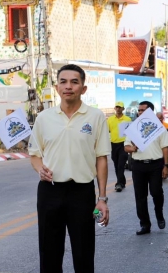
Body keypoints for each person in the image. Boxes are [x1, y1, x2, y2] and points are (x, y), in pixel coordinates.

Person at [29, 64, 111, 273]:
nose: (68, 86)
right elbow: (35, 155)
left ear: (83, 88)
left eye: (74, 82)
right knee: (49, 253)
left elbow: (101, 158)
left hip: (81, 192)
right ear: (57, 88)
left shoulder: (95, 117)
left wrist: (102, 199)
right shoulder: (44, 118)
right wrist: (40, 169)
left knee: (83, 253)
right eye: (63, 82)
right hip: (50, 191)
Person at [124, 101, 168, 235]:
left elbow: (165, 148)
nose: (139, 112)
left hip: (155, 165)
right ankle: (145, 224)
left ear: (150, 112)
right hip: (138, 165)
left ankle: (159, 214)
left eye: (142, 110)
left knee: (156, 192)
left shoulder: (158, 128)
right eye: (138, 110)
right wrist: (132, 148)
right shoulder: (133, 128)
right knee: (140, 196)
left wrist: (166, 166)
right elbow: (126, 147)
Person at [107, 101, 131, 192]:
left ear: (123, 109)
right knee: (116, 165)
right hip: (113, 144)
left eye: (120, 107)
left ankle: (119, 184)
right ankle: (122, 181)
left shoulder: (127, 119)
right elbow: (106, 131)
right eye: (117, 107)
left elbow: (130, 133)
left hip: (123, 144)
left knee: (121, 164)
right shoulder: (110, 119)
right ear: (114, 108)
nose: (118, 109)